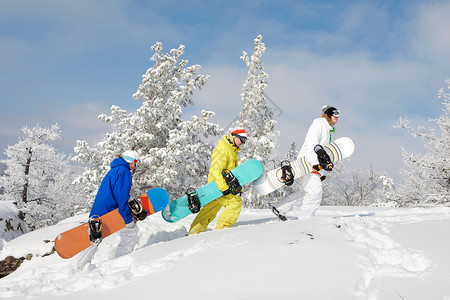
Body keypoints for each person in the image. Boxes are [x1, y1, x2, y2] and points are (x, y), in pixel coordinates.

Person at [271, 105, 340, 220]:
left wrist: (322, 173)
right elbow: (311, 144)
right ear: (328, 114)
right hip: (309, 164)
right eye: (335, 114)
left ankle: (281, 208)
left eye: (338, 115)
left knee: (306, 193)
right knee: (314, 194)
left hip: (314, 166)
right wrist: (314, 164)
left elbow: (323, 153)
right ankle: (305, 221)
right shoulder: (319, 124)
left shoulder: (326, 129)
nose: (337, 117)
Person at [77, 150, 141, 268]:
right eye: (137, 163)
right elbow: (121, 196)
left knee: (94, 238)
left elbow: (117, 192)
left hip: (99, 211)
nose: (136, 167)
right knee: (131, 231)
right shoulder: (124, 171)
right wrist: (128, 219)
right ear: (132, 161)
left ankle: (81, 266)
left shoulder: (115, 170)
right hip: (110, 211)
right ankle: (122, 260)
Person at [189, 129, 248, 234]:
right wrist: (224, 188)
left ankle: (194, 231)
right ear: (234, 137)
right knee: (235, 203)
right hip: (219, 185)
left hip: (216, 185)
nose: (243, 143)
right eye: (242, 139)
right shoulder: (223, 149)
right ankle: (221, 231)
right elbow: (216, 170)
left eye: (245, 140)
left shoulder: (230, 150)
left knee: (210, 208)